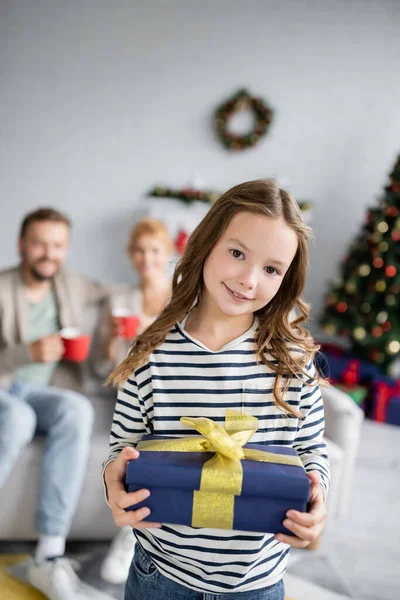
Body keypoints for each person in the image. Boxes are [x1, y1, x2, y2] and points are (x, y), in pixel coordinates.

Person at [103, 180, 330, 599]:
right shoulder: (152, 354)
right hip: (161, 575)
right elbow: (123, 447)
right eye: (237, 253)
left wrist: (317, 496)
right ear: (206, 243)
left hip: (257, 582)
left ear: (285, 278)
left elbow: (312, 451)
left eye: (271, 269)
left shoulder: (295, 363)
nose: (248, 279)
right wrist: (112, 480)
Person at [0, 208, 112, 600]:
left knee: (77, 409)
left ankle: (48, 555)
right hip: (3, 387)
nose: (49, 253)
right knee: (16, 417)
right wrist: (24, 352)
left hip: (41, 393)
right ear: (21, 245)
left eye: (58, 244)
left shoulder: (72, 285)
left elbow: (116, 294)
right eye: (39, 243)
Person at [96, 217, 173, 584]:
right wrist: (115, 342)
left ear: (167, 254)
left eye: (154, 251)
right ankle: (129, 537)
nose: (146, 258)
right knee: (140, 439)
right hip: (129, 389)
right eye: (139, 251)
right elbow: (107, 365)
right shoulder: (121, 300)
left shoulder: (182, 297)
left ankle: (130, 537)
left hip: (170, 389)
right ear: (131, 255)